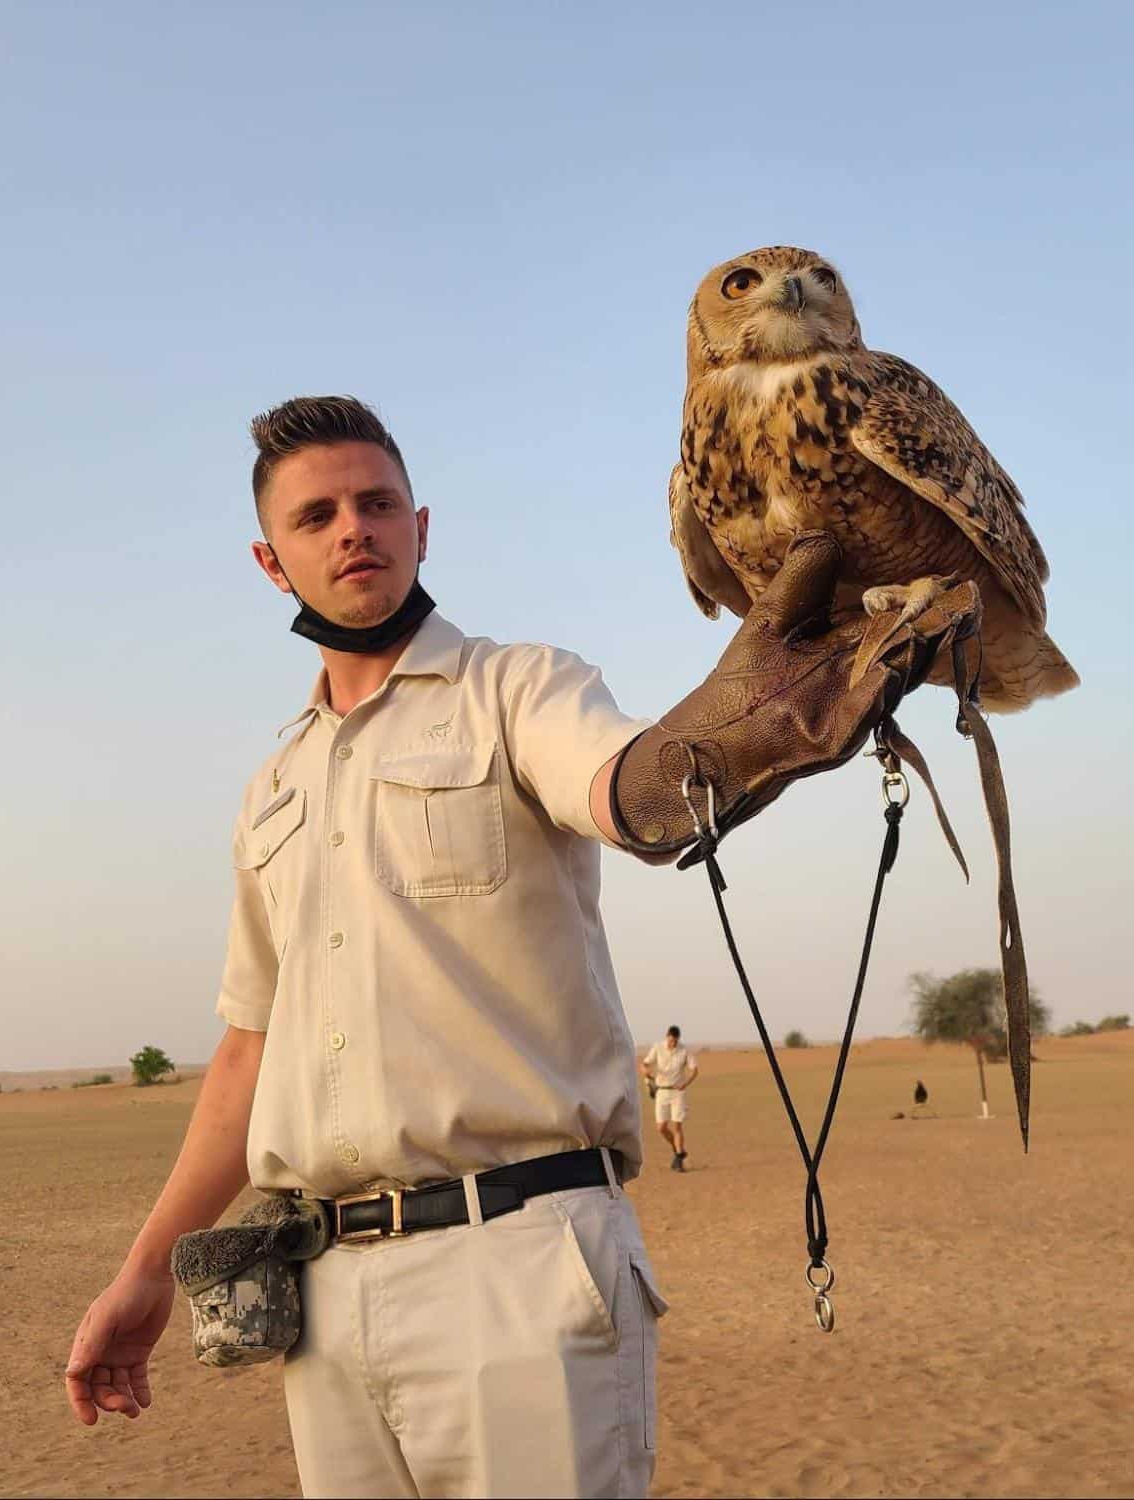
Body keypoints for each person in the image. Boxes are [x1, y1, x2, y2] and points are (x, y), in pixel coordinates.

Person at [61, 396, 952, 1499]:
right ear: (270, 559)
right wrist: (144, 1273)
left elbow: (627, 787)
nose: (354, 529)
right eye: (319, 514)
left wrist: (730, 739)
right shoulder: (274, 789)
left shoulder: (519, 688)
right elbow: (246, 1054)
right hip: (323, 1296)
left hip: (520, 1265)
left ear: (421, 529)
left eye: (378, 504)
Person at [639, 1026, 699, 1171]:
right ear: (667, 1037)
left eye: (675, 1041)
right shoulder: (658, 1047)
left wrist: (686, 1083)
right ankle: (676, 1149)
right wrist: (646, 1072)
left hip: (677, 1092)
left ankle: (679, 1158)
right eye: (670, 1041)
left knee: (677, 1126)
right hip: (661, 1092)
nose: (672, 1044)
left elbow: (695, 1069)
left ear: (678, 1039)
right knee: (661, 1127)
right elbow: (644, 1064)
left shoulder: (684, 1050)